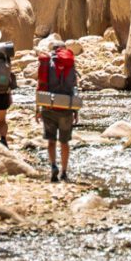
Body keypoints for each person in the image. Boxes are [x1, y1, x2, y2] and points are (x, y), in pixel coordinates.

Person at [36, 34, 79, 183]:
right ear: (64, 49)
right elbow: (74, 87)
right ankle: (64, 172)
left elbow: (40, 85)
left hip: (49, 106)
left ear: (53, 50)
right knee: (65, 142)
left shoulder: (47, 63)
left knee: (51, 141)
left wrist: (37, 109)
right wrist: (76, 110)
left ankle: (53, 165)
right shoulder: (70, 63)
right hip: (66, 107)